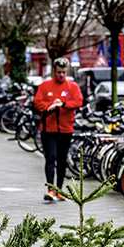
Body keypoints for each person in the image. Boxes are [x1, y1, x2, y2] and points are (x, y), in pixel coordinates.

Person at [33, 58, 83, 201]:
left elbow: (78, 101)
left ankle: (60, 189)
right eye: (59, 72)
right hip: (48, 128)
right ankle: (50, 190)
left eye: (63, 72)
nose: (61, 75)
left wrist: (63, 104)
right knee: (50, 157)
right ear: (54, 71)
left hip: (66, 128)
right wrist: (50, 106)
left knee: (62, 160)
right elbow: (37, 102)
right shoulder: (45, 86)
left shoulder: (72, 86)